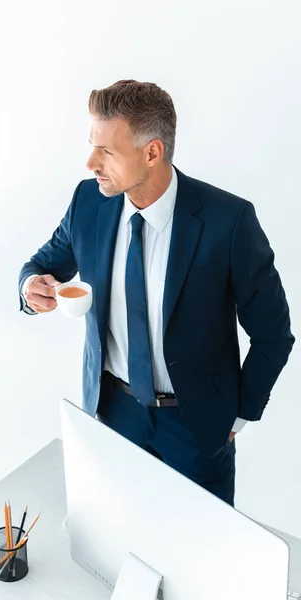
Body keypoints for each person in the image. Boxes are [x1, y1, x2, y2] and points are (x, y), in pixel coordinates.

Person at [18, 79, 295, 506]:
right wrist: (30, 286)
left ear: (152, 152)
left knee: (201, 554)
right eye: (93, 145)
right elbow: (42, 264)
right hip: (111, 413)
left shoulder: (229, 222)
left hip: (196, 425)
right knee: (115, 540)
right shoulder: (89, 202)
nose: (91, 162)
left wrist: (235, 417)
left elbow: (274, 333)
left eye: (106, 151)